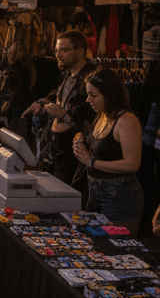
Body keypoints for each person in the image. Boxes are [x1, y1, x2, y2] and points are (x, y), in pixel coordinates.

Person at [23, 30, 96, 199]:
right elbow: (58, 95)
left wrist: (64, 114)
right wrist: (41, 103)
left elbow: (92, 118)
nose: (58, 55)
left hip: (73, 154)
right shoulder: (67, 73)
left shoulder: (91, 79)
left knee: (61, 200)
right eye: (56, 51)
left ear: (80, 51)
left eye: (64, 50)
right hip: (54, 149)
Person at [73, 68, 145, 235]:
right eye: (88, 94)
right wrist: (81, 141)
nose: (88, 99)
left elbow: (132, 164)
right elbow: (102, 147)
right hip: (96, 191)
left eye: (94, 95)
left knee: (114, 246)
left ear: (110, 95)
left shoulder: (127, 120)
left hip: (120, 196)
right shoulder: (102, 115)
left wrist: (91, 162)